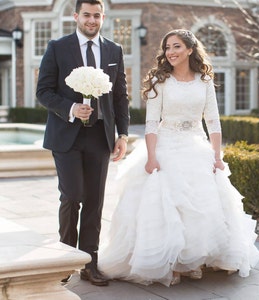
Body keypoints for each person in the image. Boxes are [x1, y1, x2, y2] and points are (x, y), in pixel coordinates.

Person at [98, 29, 259, 287]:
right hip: (166, 145)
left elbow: (213, 121)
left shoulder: (205, 81)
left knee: (201, 206)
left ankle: (193, 261)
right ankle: (169, 263)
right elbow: (152, 123)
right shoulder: (159, 81)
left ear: (189, 50)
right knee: (166, 206)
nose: (170, 52)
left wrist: (216, 157)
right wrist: (151, 158)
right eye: (167, 48)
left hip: (196, 146)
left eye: (176, 46)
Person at [36, 0, 129, 286]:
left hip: (100, 136)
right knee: (73, 195)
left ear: (103, 17)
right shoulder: (57, 47)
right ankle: (65, 258)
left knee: (95, 201)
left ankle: (90, 262)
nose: (91, 20)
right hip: (66, 135)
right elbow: (43, 92)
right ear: (76, 16)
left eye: (96, 15)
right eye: (86, 15)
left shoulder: (114, 50)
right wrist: (72, 108)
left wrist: (123, 135)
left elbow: (120, 96)